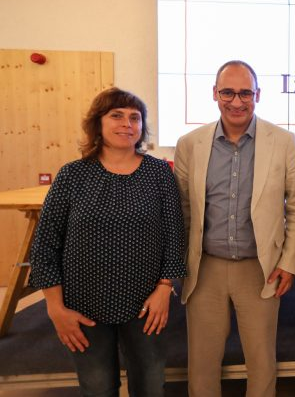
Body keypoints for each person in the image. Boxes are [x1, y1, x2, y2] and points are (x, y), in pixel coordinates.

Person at [29, 87, 186, 397]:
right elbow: (45, 244)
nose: (127, 123)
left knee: (150, 386)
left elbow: (174, 235)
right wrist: (55, 308)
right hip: (83, 303)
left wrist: (165, 288)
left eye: (134, 117)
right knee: (98, 388)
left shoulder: (158, 173)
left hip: (146, 304)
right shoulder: (72, 175)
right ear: (97, 123)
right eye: (116, 115)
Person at [174, 60, 295, 396]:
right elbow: (182, 210)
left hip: (260, 269)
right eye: (228, 93)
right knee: (202, 364)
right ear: (215, 94)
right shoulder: (190, 143)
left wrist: (289, 263)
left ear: (257, 95)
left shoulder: (283, 141)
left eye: (245, 93)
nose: (236, 102)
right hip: (205, 268)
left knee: (261, 363)